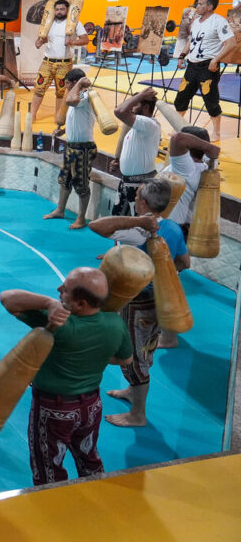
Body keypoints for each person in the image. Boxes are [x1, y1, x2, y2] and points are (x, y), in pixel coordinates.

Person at [0, 268, 133, 485]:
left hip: (54, 409)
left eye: (66, 289)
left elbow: (7, 298)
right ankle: (99, 494)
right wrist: (90, 355)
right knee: (88, 456)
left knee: (48, 467)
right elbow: (125, 359)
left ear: (80, 304)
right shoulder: (115, 322)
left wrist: (49, 303)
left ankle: (54, 504)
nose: (59, 289)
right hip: (91, 406)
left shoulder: (59, 324)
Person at [88, 177, 189, 428]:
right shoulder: (173, 228)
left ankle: (138, 414)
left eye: (137, 196)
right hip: (159, 298)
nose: (134, 198)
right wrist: (162, 273)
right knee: (146, 348)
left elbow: (96, 226)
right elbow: (184, 262)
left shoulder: (138, 232)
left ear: (143, 203)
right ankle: (133, 392)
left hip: (137, 300)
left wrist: (137, 221)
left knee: (134, 355)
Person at [156, 127, 218, 349]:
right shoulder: (204, 167)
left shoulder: (186, 166)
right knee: (164, 282)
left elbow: (178, 138)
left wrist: (209, 148)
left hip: (170, 230)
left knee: (163, 284)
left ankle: (169, 336)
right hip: (177, 228)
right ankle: (163, 330)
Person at [174, 0, 236, 141]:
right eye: (197, 4)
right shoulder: (196, 22)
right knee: (181, 97)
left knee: (210, 100)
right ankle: (178, 127)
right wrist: (182, 55)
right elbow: (191, 41)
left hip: (208, 68)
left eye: (201, 4)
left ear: (210, 6)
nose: (197, 6)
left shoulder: (218, 21)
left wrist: (216, 60)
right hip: (192, 66)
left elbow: (231, 43)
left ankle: (216, 132)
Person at [44, 70, 96, 228]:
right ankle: (60, 210)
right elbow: (78, 120)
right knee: (64, 180)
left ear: (74, 82)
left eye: (67, 83)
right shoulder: (76, 96)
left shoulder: (85, 96)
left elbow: (71, 101)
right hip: (72, 146)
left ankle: (81, 218)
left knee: (81, 184)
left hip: (83, 148)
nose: (65, 86)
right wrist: (64, 131)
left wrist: (79, 84)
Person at [30, 0, 88, 127]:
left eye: (62, 9)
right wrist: (40, 42)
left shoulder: (74, 23)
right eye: (57, 9)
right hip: (47, 61)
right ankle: (32, 115)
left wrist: (72, 42)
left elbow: (85, 40)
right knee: (39, 88)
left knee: (61, 91)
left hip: (64, 63)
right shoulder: (49, 22)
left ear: (67, 10)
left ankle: (58, 116)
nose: (59, 12)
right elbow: (47, 38)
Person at [111, 87, 160, 215]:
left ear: (145, 107)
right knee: (118, 221)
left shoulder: (148, 124)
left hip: (139, 185)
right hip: (127, 182)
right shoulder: (137, 126)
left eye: (135, 104)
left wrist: (141, 94)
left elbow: (119, 111)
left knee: (137, 223)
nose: (131, 108)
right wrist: (120, 161)